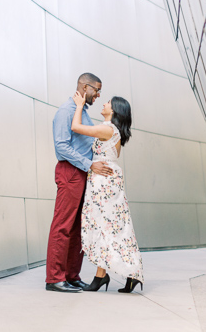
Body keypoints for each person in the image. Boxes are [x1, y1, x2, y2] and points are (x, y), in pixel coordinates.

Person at [45, 73, 113, 293]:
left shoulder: (82, 112)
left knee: (78, 229)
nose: (99, 95)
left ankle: (71, 276)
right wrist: (89, 164)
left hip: (83, 173)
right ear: (85, 87)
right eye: (97, 90)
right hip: (70, 172)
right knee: (62, 226)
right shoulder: (66, 111)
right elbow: (61, 147)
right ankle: (54, 278)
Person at [71, 91, 144, 293]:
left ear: (114, 110)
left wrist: (78, 105)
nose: (103, 104)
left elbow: (75, 127)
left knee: (105, 227)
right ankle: (121, 274)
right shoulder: (115, 132)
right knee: (113, 228)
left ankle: (106, 276)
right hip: (107, 181)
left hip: (103, 183)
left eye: (108, 102)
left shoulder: (108, 129)